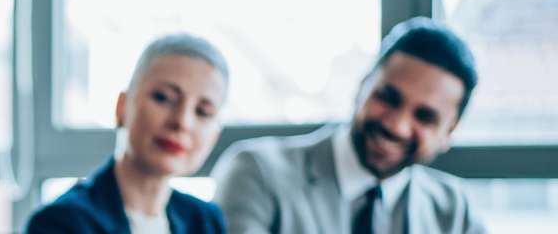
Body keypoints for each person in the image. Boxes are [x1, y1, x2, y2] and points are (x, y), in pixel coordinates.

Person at [211, 17, 487, 234]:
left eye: (424, 116)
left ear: (449, 132)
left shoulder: (454, 210)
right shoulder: (257, 172)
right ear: (361, 86)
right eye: (388, 98)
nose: (397, 126)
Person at [26, 34, 229, 234]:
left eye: (203, 112)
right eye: (164, 98)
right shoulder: (59, 223)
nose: (182, 122)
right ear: (122, 107)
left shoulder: (206, 221)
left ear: (215, 136)